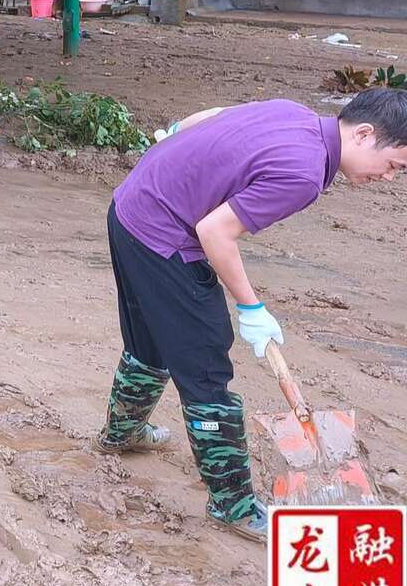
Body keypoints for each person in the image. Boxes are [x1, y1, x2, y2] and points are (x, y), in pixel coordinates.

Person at [94, 88, 407, 541]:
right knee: (204, 360)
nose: (390, 178)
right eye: (395, 166)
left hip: (130, 207)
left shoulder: (296, 114)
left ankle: (120, 434)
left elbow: (214, 112)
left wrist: (178, 137)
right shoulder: (302, 174)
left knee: (150, 336)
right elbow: (214, 232)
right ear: (363, 134)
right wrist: (251, 307)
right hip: (162, 231)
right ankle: (233, 503)